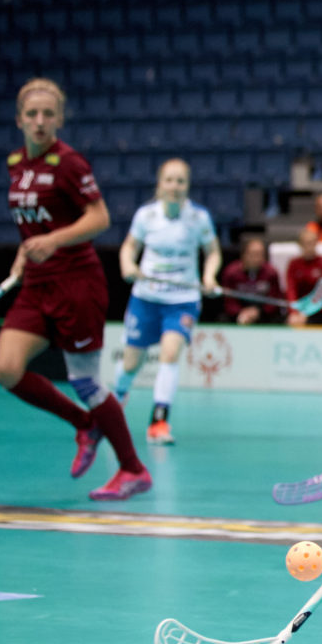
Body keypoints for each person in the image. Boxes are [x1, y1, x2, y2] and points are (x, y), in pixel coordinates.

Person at [0, 78, 151, 501]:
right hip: (37, 284)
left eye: (48, 114)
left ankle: (133, 469)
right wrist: (26, 253)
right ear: (19, 120)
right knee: (6, 369)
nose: (40, 122)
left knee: (85, 380)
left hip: (76, 284)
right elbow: (35, 223)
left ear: (60, 119)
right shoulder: (16, 164)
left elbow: (99, 219)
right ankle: (85, 425)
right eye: (32, 115)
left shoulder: (70, 164)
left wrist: (53, 241)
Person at [113, 159, 221, 445]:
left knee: (170, 354)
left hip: (182, 299)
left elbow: (213, 252)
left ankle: (159, 422)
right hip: (146, 297)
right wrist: (128, 265)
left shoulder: (199, 218)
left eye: (181, 181)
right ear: (160, 184)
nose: (175, 186)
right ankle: (116, 399)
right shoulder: (145, 216)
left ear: (187, 186)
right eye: (169, 180)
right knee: (130, 363)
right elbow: (129, 247)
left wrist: (209, 277)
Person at [285, 226, 322, 325]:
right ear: (300, 245)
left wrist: (306, 312)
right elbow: (291, 289)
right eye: (306, 243)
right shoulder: (293, 264)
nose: (310, 247)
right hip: (301, 309)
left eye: (312, 243)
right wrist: (293, 312)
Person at [219, 235, 284, 324]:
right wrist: (240, 312)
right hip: (238, 314)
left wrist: (258, 312)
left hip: (263, 314)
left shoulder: (271, 273)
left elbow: (274, 300)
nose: (257, 258)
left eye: (261, 254)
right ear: (244, 255)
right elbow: (228, 301)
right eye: (254, 254)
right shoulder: (231, 273)